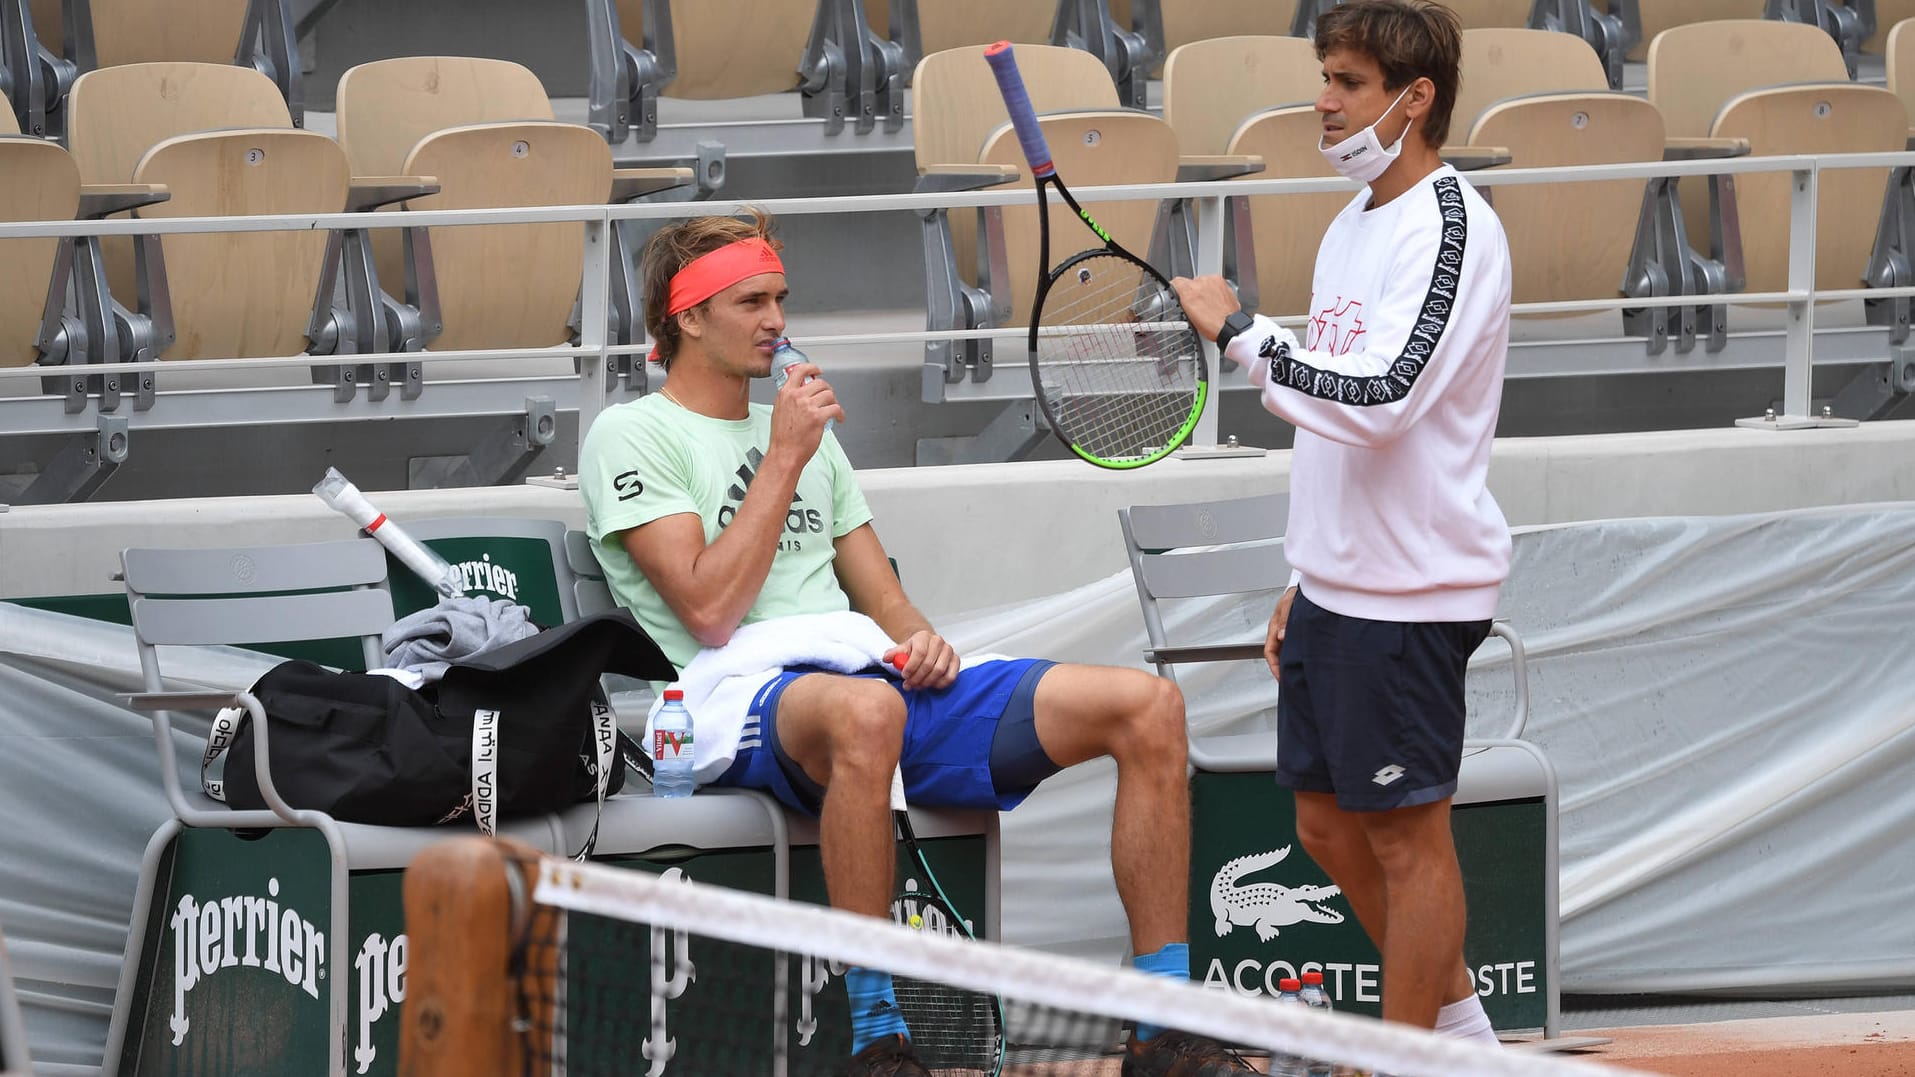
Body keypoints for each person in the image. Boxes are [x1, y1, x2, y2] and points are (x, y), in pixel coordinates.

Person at [579, 210, 1258, 1077]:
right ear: (685, 317)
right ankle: (878, 1040)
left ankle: (1162, 1030)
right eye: (751, 301)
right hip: (732, 695)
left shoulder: (807, 436)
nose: (777, 321)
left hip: (866, 677)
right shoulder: (631, 434)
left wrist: (926, 644)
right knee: (867, 712)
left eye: (780, 298)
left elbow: (887, 601)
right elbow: (708, 611)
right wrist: (784, 455)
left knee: (1146, 705)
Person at [1171, 0, 1511, 1046]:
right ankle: (1462, 1043)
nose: (1323, 101)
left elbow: (1383, 398)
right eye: (1325, 77)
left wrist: (1238, 332)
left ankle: (1407, 1058)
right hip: (1339, 587)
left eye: (1349, 83)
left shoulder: (1453, 227)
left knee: (1410, 844)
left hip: (1412, 594)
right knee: (1324, 826)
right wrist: (1305, 573)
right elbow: (1331, 419)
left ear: (1416, 100)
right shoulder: (1350, 220)